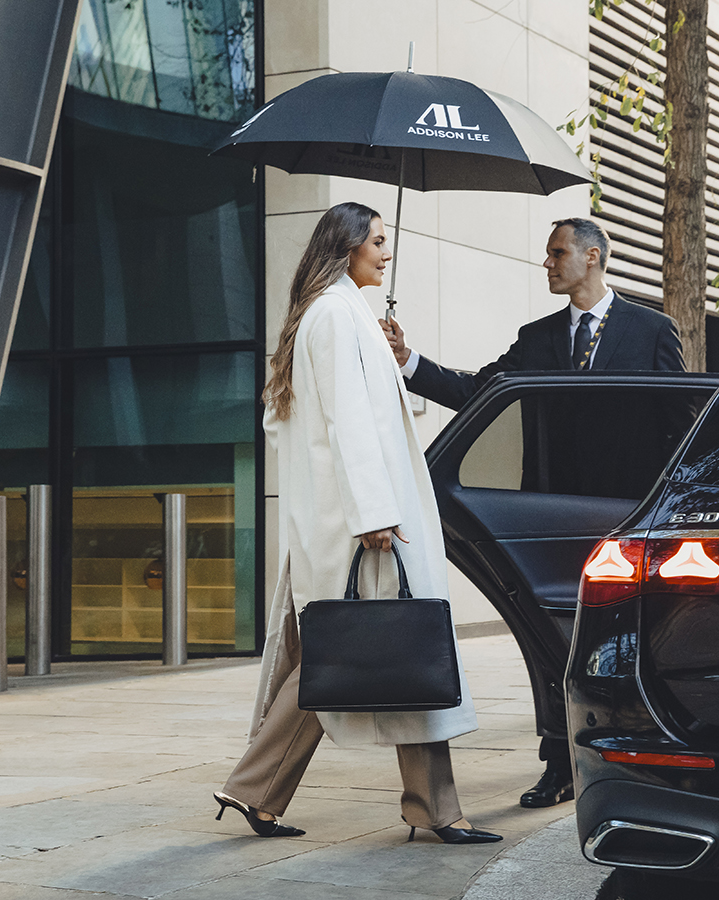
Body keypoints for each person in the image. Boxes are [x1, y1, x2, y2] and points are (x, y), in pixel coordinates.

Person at [213, 202, 500, 845]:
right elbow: (348, 420)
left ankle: (257, 789)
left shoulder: (338, 315)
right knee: (395, 650)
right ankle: (436, 811)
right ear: (345, 247)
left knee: (346, 657)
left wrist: (396, 356)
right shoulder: (337, 317)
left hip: (351, 519)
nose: (386, 251)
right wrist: (372, 513)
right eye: (376, 240)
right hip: (366, 523)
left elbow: (364, 415)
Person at [380, 217, 685, 809]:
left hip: (627, 517)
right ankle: (560, 763)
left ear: (593, 256)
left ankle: (635, 750)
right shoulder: (538, 336)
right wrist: (410, 359)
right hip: (548, 518)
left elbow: (678, 422)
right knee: (552, 641)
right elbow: (479, 391)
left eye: (557, 253)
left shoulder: (652, 330)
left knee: (626, 641)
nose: (547, 263)